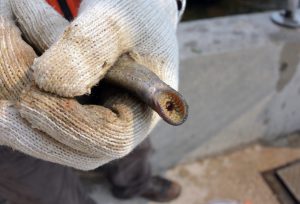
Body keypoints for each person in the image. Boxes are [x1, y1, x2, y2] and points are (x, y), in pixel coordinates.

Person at [0, 0, 186, 203]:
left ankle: (135, 183)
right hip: (11, 104)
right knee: (46, 189)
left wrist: (161, 5)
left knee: (127, 141)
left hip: (101, 50)